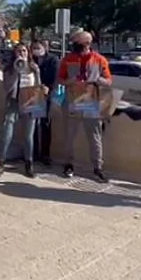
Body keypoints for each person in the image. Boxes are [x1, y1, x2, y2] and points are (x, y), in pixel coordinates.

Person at [57, 30, 112, 182]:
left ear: (87, 43)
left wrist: (96, 79)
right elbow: (60, 80)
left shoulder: (99, 59)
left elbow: (108, 81)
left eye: (77, 42)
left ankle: (97, 167)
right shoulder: (68, 59)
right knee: (69, 136)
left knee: (95, 137)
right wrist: (71, 81)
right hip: (72, 101)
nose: (74, 44)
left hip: (92, 102)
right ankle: (68, 164)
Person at [0, 43, 43, 179]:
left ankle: (29, 163)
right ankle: (0, 162)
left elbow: (38, 86)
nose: (22, 53)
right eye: (19, 51)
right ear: (14, 54)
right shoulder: (10, 69)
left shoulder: (33, 67)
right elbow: (7, 88)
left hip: (30, 101)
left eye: (24, 51)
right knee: (7, 133)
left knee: (28, 136)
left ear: (28, 52)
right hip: (14, 101)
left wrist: (37, 73)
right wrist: (16, 71)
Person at [31, 39, 59, 165]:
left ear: (45, 48)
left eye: (38, 48)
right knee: (33, 124)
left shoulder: (52, 60)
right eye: (34, 48)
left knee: (45, 124)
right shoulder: (31, 60)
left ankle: (45, 154)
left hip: (47, 95)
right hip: (33, 94)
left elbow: (55, 77)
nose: (36, 50)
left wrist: (48, 88)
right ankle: (33, 152)